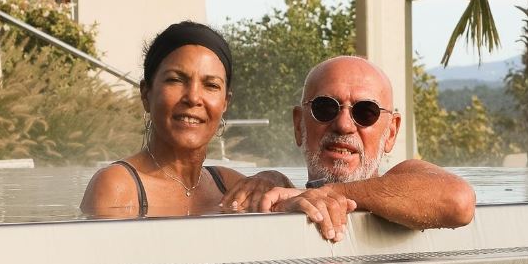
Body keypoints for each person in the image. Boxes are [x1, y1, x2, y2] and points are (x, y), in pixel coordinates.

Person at [81, 21, 354, 239]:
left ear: (225, 103)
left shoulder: (230, 185)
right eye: (176, 80)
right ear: (146, 93)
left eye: (211, 85)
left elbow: (300, 207)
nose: (193, 97)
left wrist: (275, 179)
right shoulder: (118, 186)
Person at [251, 55, 475, 237]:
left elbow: (459, 202)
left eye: (366, 112)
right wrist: (270, 188)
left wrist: (329, 192)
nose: (343, 125)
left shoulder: (408, 180)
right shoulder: (275, 192)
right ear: (298, 125)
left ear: (391, 132)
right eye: (325, 108)